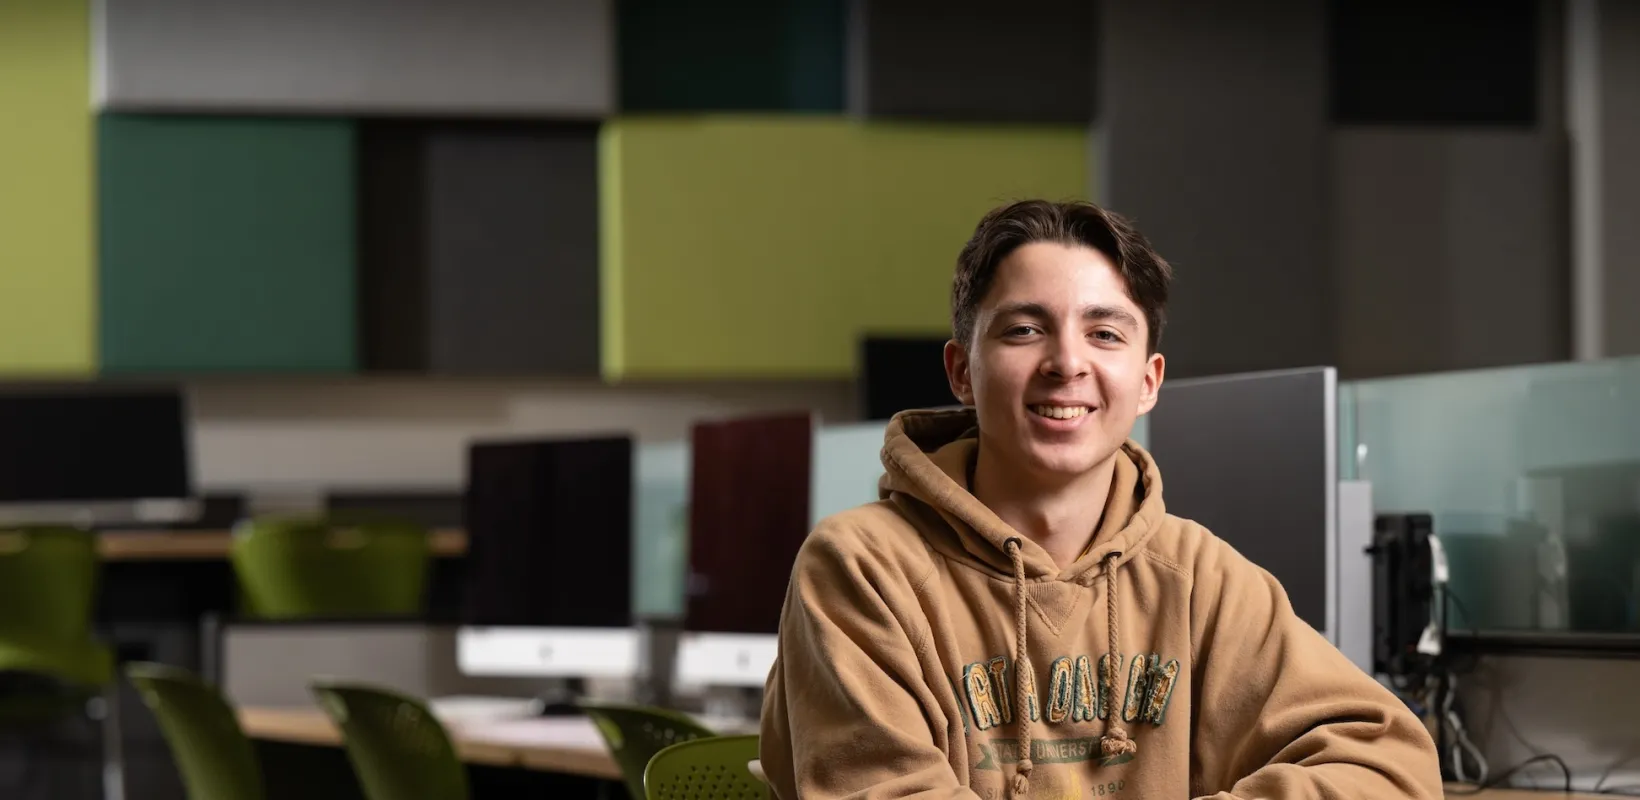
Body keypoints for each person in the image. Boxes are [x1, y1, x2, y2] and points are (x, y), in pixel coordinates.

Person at [759, 199, 1441, 799]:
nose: (1067, 362)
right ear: (962, 371)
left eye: (1104, 333)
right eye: (1024, 329)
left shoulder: (1199, 578)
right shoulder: (861, 569)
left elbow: (1389, 763)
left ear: (1147, 383)